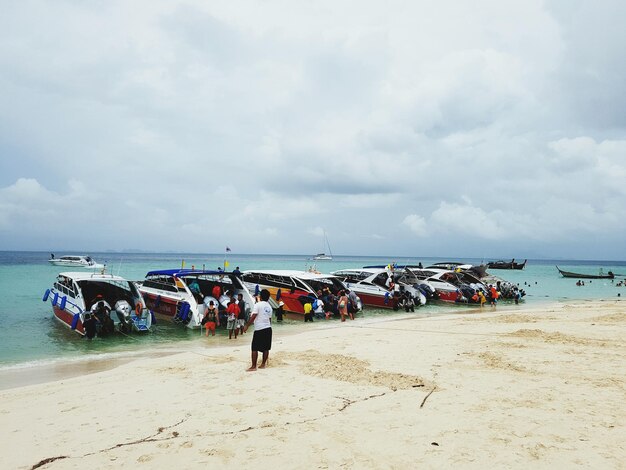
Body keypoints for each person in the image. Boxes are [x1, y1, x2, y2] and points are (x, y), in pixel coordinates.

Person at [244, 289, 273, 371]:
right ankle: (263, 364)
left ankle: (253, 366)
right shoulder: (270, 307)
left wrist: (247, 325)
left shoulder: (258, 305)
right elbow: (269, 320)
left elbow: (253, 316)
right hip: (268, 328)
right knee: (266, 348)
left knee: (254, 348)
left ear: (260, 296)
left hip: (259, 329)